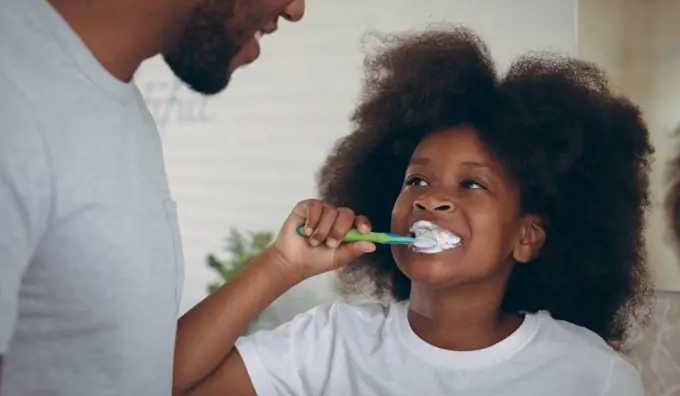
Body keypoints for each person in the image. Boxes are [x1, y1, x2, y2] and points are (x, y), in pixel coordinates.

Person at [174, 27, 652, 395]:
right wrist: (280, 263)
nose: (430, 199)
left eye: (472, 184)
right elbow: (147, 384)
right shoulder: (330, 343)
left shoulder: (591, 376)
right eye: (416, 180)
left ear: (527, 237)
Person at [0, 0, 329, 394]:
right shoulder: (14, 84)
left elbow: (127, 372)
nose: (297, 6)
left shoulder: (113, 99)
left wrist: (280, 264)